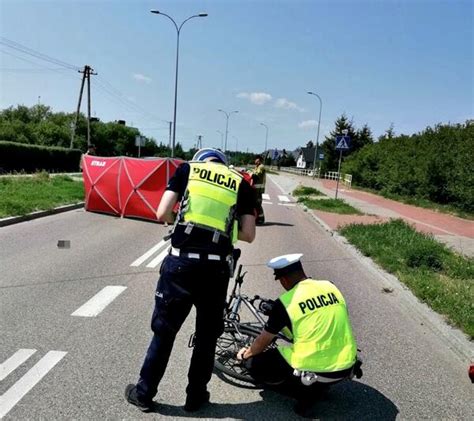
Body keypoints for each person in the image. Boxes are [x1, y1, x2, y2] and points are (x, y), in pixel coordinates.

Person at [125, 148, 257, 413]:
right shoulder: (241, 182)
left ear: (201, 160)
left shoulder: (188, 170)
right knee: (207, 338)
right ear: (224, 163)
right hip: (216, 272)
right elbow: (249, 234)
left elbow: (162, 212)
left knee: (164, 332)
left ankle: (144, 394)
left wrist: (179, 223)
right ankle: (195, 397)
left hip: (181, 265)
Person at [237, 253, 361, 415]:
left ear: (283, 280)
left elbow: (264, 339)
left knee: (252, 363)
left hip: (316, 369)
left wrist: (246, 355)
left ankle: (306, 397)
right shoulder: (330, 286)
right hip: (347, 364)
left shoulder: (285, 302)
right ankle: (321, 386)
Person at [250, 156, 266, 225]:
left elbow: (256, 174)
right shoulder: (257, 167)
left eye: (256, 159)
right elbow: (253, 171)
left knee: (258, 204)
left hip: (258, 189)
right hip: (255, 189)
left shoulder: (261, 167)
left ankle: (261, 219)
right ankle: (258, 218)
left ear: (259, 160)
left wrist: (250, 174)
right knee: (256, 204)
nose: (255, 160)